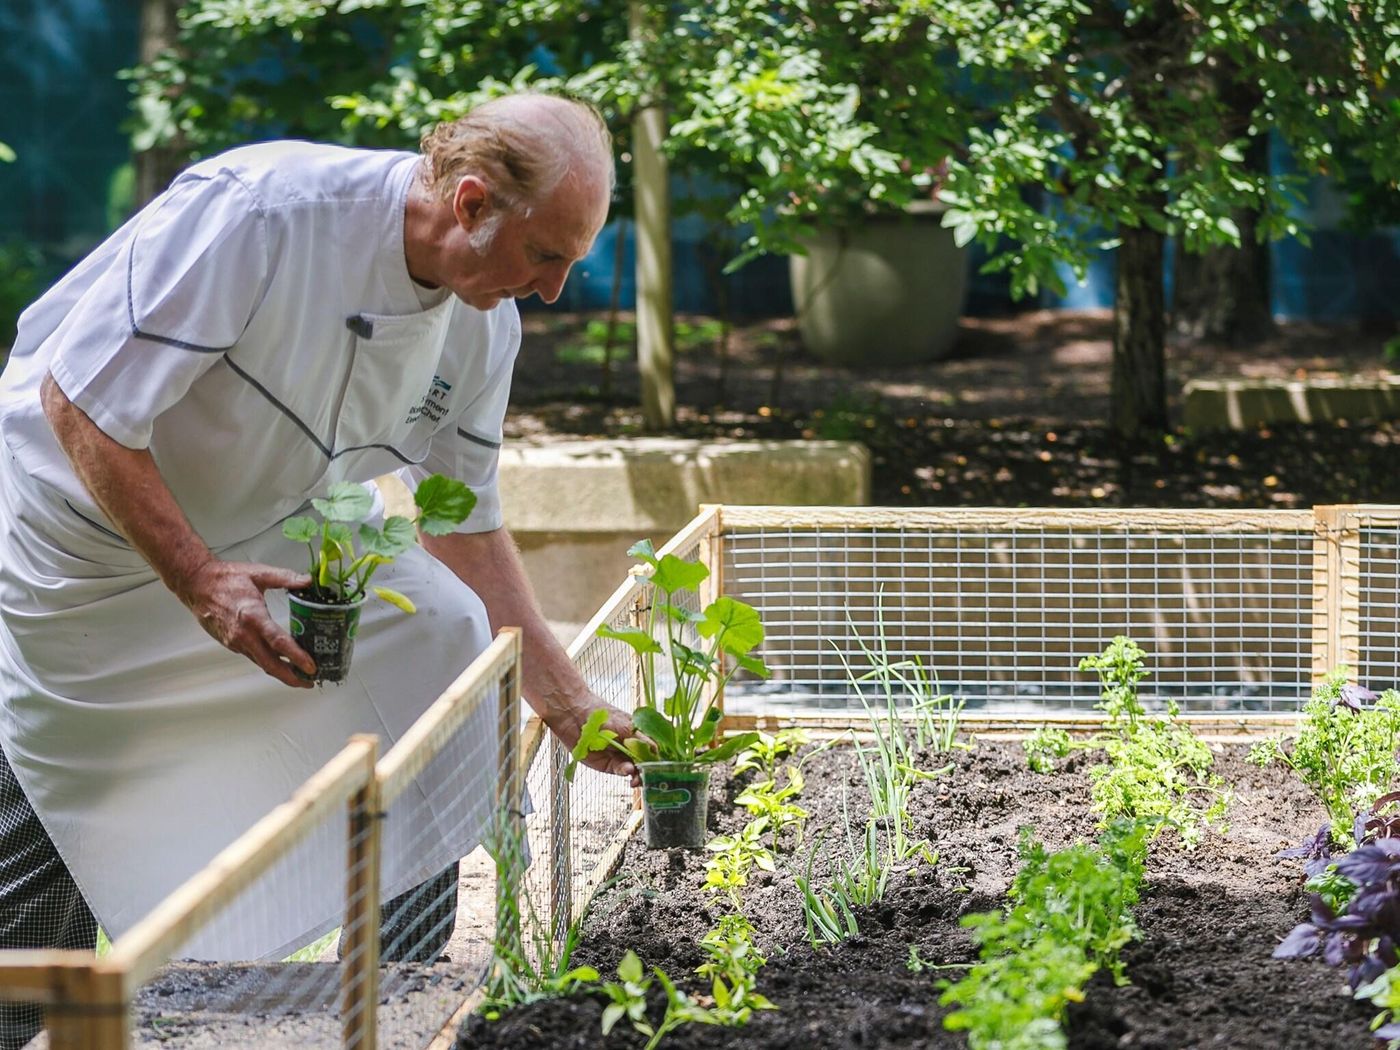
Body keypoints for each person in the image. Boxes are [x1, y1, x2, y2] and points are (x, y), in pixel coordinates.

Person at [0, 92, 636, 1047]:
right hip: (84, 543)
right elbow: (80, 403)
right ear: (470, 203)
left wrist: (567, 702)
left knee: (444, 637)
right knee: (52, 816)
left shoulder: (483, 323)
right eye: (546, 254)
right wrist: (200, 578)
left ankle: (396, 1004)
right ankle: (21, 1024)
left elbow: (464, 523)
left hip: (272, 528)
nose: (553, 290)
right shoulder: (260, 212)